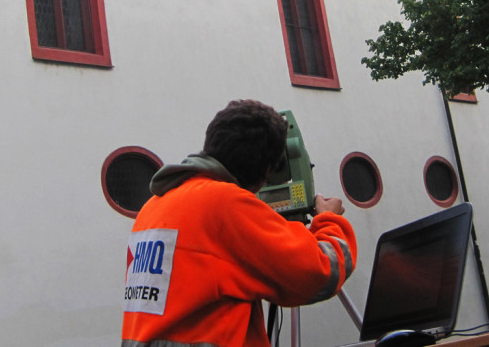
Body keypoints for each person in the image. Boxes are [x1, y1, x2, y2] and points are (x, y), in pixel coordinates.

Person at [121, 99, 357, 347]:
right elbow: (319, 272)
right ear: (265, 172)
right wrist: (328, 219)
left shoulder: (153, 208)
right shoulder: (223, 203)